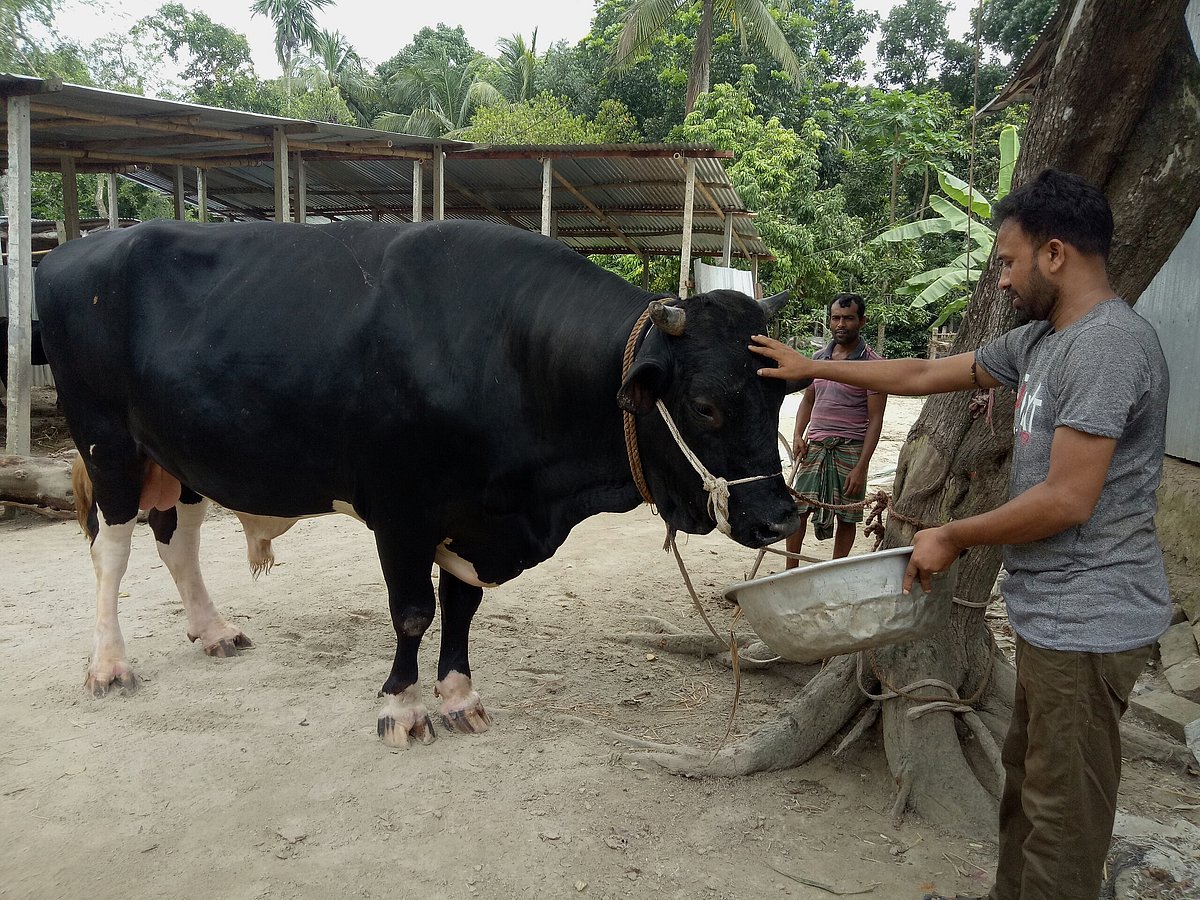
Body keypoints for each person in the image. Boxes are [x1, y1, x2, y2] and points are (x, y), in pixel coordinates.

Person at [749, 168, 1171, 900]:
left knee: (1061, 822)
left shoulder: (1106, 346)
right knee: (1026, 800)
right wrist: (810, 365)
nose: (1002, 281)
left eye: (1008, 262)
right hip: (1052, 620)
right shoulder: (1043, 341)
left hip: (1092, 619)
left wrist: (954, 535)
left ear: (1056, 253)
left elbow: (1068, 498)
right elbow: (925, 373)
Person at [785, 293, 887, 568]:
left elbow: (876, 419)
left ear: (862, 321)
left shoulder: (874, 365)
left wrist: (861, 467)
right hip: (814, 447)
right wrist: (797, 435)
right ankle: (790, 569)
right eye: (836, 318)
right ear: (829, 321)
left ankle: (834, 570)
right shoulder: (818, 359)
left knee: (848, 515)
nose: (841, 324)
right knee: (799, 508)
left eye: (848, 318)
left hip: (850, 450)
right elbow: (808, 400)